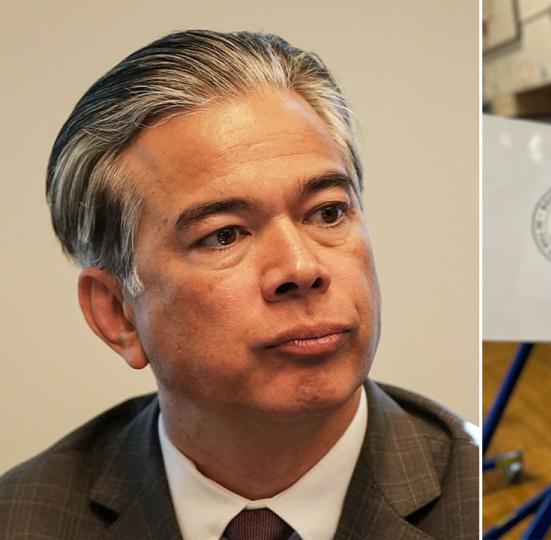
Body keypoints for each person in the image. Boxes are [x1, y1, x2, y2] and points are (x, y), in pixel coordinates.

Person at [0, 30, 477, 539]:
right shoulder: (23, 519)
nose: (300, 268)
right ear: (117, 314)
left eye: (328, 212)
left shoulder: (476, 500)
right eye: (224, 235)